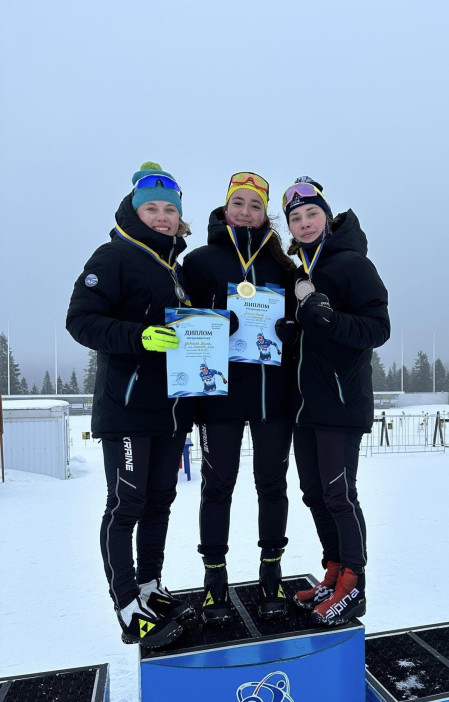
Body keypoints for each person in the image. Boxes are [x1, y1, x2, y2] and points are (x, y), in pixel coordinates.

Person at [66, 161, 195, 648]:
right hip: (127, 409)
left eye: (169, 210)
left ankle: (149, 586)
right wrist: (139, 336)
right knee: (126, 506)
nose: (162, 217)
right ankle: (126, 605)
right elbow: (81, 321)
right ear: (134, 211)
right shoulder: (114, 256)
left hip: (171, 410)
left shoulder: (173, 267)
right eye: (151, 208)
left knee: (160, 502)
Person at [181, 172, 297, 622]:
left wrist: (291, 330)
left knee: (272, 484)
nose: (246, 212)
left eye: (255, 205)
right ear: (226, 208)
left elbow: (302, 325)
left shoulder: (283, 266)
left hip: (273, 398)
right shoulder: (199, 262)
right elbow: (180, 322)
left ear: (265, 213)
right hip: (219, 398)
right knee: (217, 487)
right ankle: (215, 579)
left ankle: (272, 572)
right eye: (239, 203)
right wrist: (210, 322)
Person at [282, 177, 390, 626]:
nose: (305, 223)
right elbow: (312, 339)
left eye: (312, 214)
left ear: (326, 217)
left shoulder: (353, 264)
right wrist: (293, 333)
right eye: (296, 218)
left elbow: (377, 329)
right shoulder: (301, 272)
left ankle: (355, 584)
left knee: (340, 495)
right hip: (305, 406)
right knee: (314, 494)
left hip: (341, 403)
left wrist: (328, 317)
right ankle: (334, 570)